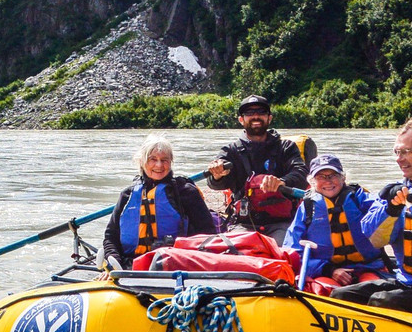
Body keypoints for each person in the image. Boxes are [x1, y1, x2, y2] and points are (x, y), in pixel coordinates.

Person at [101, 134, 217, 273]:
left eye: (164, 160)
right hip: (130, 266)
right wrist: (113, 262)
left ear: (171, 162)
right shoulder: (127, 195)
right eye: (153, 159)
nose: (159, 165)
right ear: (142, 162)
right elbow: (110, 237)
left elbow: (207, 236)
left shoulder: (185, 192)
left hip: (175, 266)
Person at [330, 119, 412, 311]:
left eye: (406, 151)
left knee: (381, 301)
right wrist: (390, 210)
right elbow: (373, 237)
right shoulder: (395, 192)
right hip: (406, 282)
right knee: (341, 296)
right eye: (397, 152)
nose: (399, 158)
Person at [206, 95, 309, 244]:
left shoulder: (286, 147)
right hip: (243, 223)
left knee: (282, 250)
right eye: (249, 113)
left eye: (261, 112)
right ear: (241, 120)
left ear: (269, 118)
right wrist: (217, 175)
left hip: (281, 222)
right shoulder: (230, 150)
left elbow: (301, 173)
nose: (255, 116)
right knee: (237, 252)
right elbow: (215, 183)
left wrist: (282, 182)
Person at [282, 153, 385, 291]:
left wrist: (392, 200)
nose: (328, 181)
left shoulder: (359, 198)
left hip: (367, 267)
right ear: (312, 182)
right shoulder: (307, 208)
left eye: (333, 175)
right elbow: (292, 251)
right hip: (327, 271)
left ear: (343, 178)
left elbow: (383, 209)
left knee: (373, 290)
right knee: (324, 291)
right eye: (321, 177)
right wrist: (329, 270)